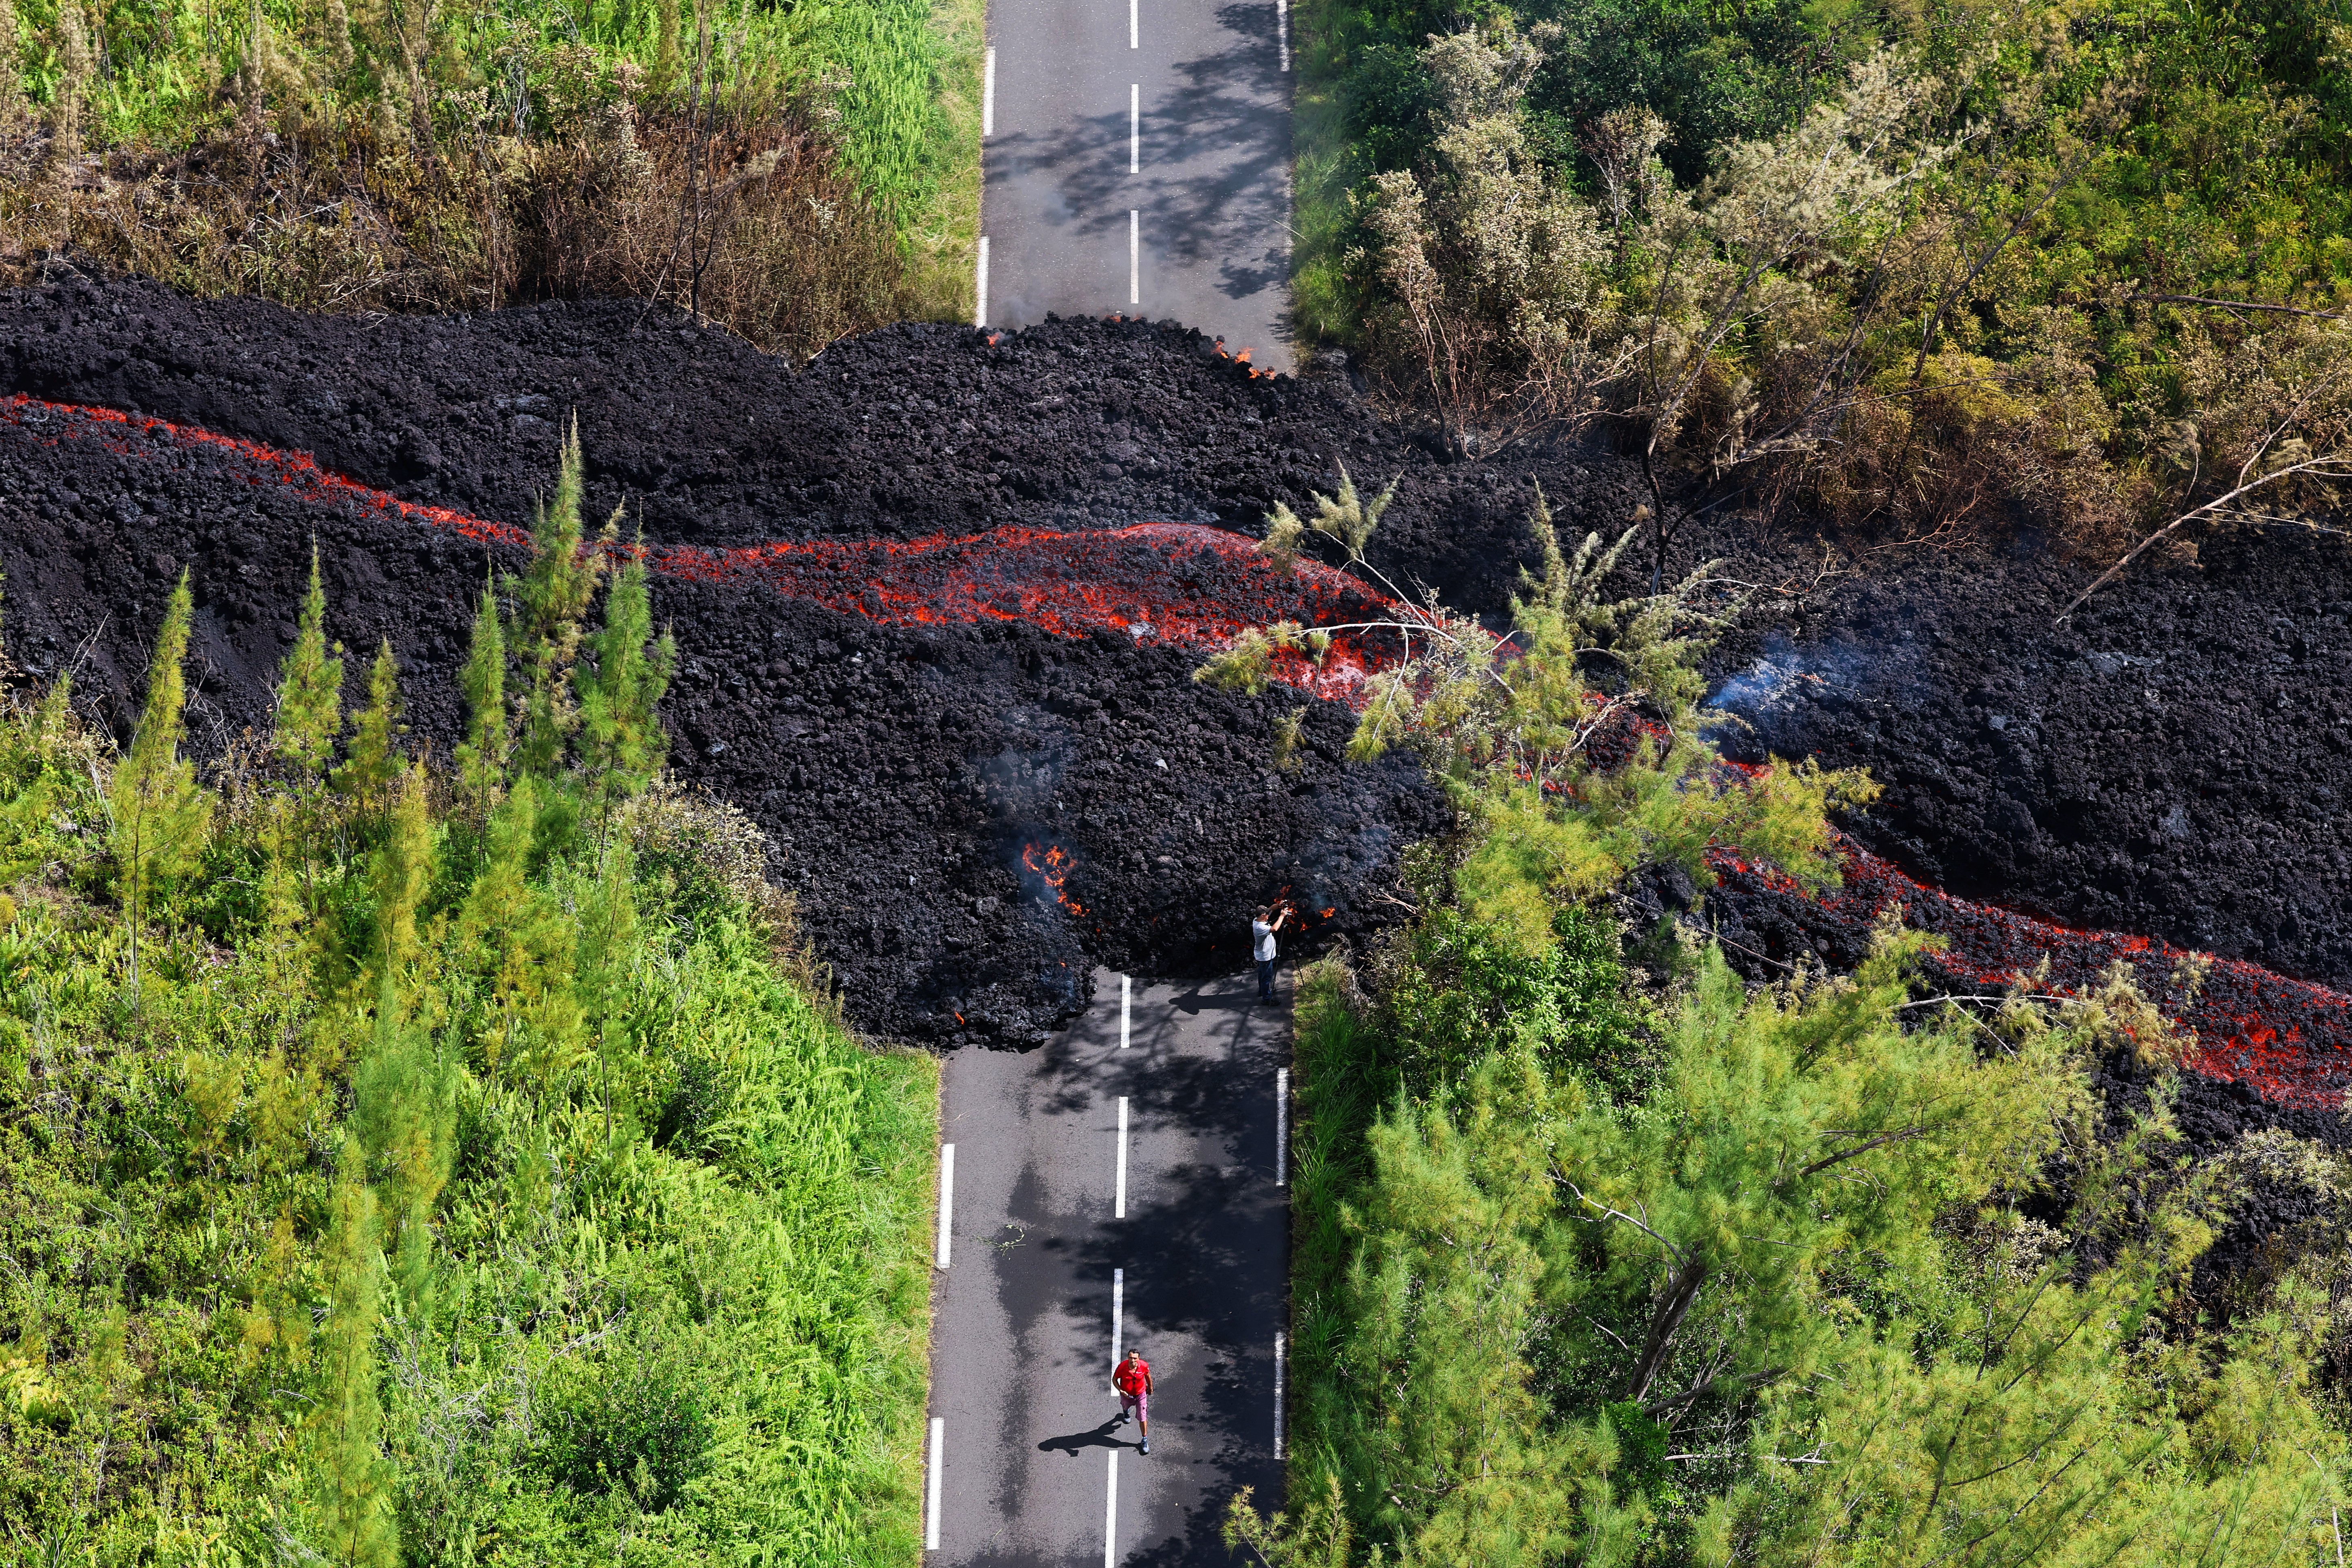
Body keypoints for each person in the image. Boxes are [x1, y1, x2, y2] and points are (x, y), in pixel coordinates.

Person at [1113, 1348, 1155, 1453]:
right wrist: (1121, 1391)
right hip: (1127, 1396)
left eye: (1135, 1358)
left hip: (1141, 1395)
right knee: (1125, 1406)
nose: (1133, 1360)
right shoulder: (1122, 1367)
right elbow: (1115, 1379)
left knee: (1143, 1416)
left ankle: (1144, 1440)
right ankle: (1126, 1412)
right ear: (1128, 1358)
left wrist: (1150, 1388)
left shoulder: (1144, 1366)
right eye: (1131, 1358)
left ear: (1139, 1359)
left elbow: (1148, 1377)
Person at [1252, 904, 1289, 1004]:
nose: (1269, 915)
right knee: (1266, 978)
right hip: (1265, 956)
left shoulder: (1258, 919)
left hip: (1262, 955)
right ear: (1263, 915)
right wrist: (1282, 916)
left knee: (1262, 974)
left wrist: (1279, 905)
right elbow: (1275, 929)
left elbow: (1271, 909)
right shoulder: (1260, 927)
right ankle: (1267, 999)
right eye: (1267, 914)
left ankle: (1262, 991)